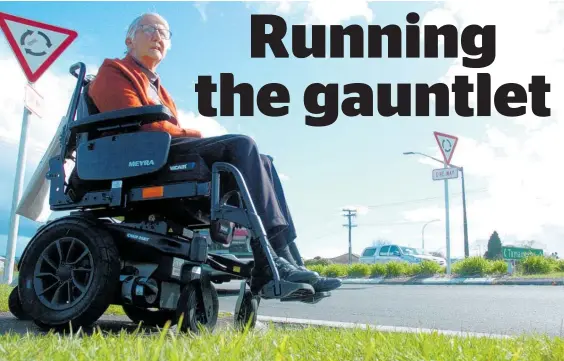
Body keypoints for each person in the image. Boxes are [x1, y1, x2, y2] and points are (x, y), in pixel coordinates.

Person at [87, 13, 341, 295]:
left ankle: (288, 259)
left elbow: (166, 129)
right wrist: (193, 134)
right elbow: (140, 126)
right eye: (149, 30)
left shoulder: (159, 88)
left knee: (264, 161)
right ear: (129, 39)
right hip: (136, 160)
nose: (158, 36)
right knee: (242, 145)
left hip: (159, 154)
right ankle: (273, 265)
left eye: (164, 33)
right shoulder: (113, 72)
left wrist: (180, 132)